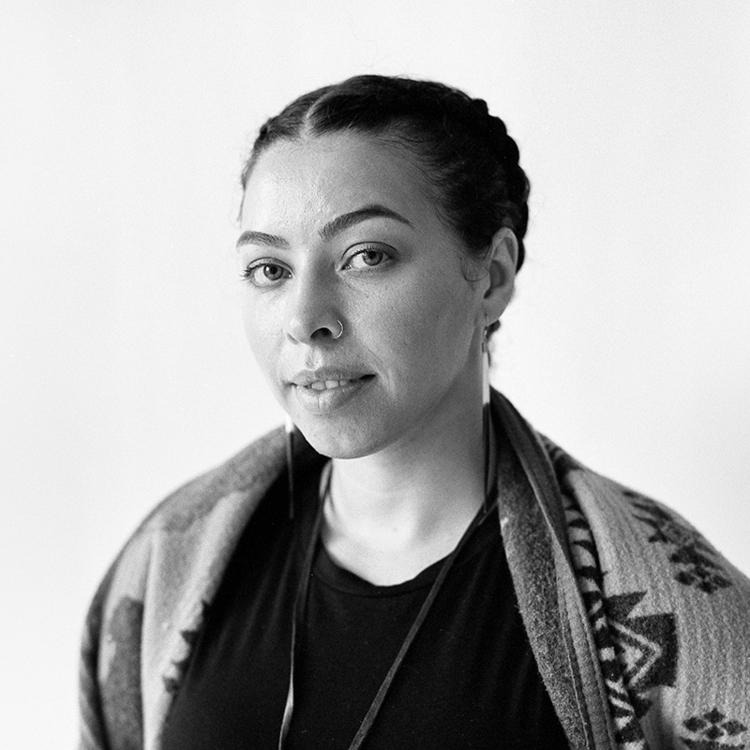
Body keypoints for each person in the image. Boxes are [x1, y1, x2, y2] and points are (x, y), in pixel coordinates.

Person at [79, 75, 750, 750]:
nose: (306, 319)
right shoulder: (167, 562)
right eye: (270, 270)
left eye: (366, 256)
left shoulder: (685, 617)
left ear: (491, 277)